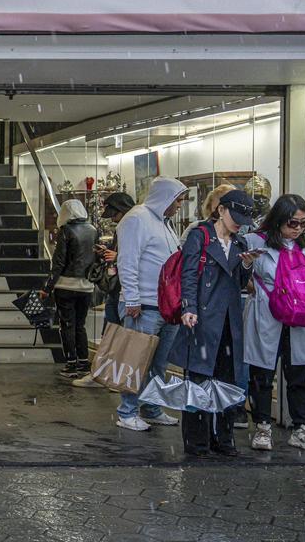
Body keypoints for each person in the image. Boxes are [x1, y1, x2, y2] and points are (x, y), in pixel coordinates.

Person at [171, 189, 256, 457]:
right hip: (203, 319)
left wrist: (246, 267)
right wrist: (189, 308)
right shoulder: (200, 236)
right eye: (235, 216)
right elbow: (188, 274)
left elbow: (241, 285)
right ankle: (197, 441)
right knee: (198, 380)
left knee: (226, 381)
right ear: (221, 210)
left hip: (230, 322)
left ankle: (223, 437)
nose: (238, 223)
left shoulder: (241, 244)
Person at [244, 194, 305, 453]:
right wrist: (248, 274)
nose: (297, 229)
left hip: (300, 315)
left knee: (301, 373)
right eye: (292, 223)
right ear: (279, 219)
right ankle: (262, 426)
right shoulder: (257, 242)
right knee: (262, 373)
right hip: (268, 312)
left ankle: (301, 427)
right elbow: (238, 270)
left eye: (303, 224)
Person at [114, 177, 187, 431]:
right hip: (143, 306)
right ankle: (127, 411)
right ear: (165, 197)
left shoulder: (162, 223)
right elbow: (127, 261)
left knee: (158, 363)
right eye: (177, 199)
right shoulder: (137, 219)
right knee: (136, 362)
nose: (179, 205)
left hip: (165, 307)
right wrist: (132, 298)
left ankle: (151, 407)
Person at [74, 191, 134, 389]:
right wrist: (110, 253)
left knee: (118, 335)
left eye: (115, 215)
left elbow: (136, 256)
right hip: (118, 289)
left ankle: (111, 376)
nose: (114, 220)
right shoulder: (125, 228)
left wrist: (115, 255)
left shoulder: (134, 227)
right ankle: (104, 374)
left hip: (126, 290)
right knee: (111, 333)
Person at [41, 199, 98, 380]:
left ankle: (71, 363)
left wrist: (47, 287)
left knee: (67, 325)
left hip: (65, 286)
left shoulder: (66, 231)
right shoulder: (93, 230)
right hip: (86, 286)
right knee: (80, 325)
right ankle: (83, 362)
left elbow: (58, 263)